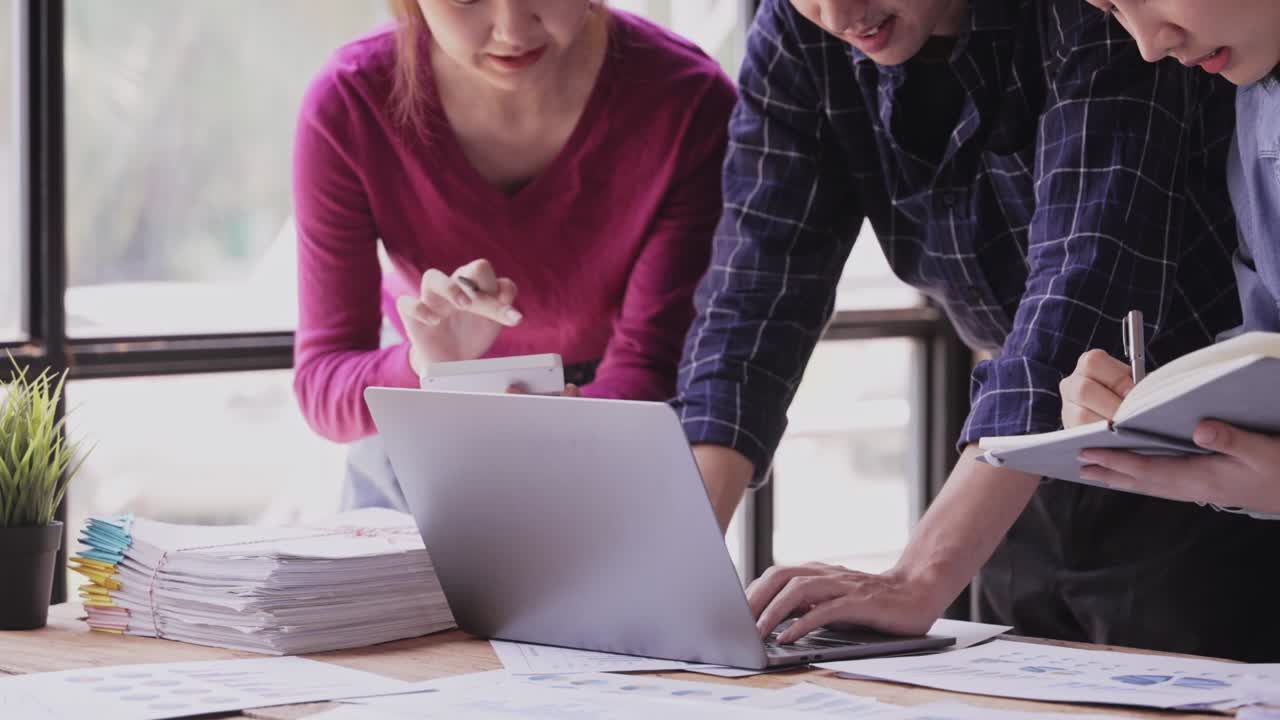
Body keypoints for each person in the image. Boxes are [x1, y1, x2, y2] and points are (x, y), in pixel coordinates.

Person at [675, 0, 1280, 662]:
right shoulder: (798, 36)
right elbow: (753, 295)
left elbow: (1081, 286)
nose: (840, 11)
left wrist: (919, 575)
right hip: (1009, 466)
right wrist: (670, 580)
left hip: (1201, 452)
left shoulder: (1097, 18)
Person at [292, 0, 736, 510]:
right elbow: (323, 386)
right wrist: (428, 364)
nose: (512, 29)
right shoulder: (349, 101)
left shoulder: (687, 101)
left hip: (608, 425)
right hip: (420, 407)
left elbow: (650, 365)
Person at [1058, 1, 1280, 518]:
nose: (1149, 44)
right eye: (1113, 8)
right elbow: (1266, 357)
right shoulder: (1257, 101)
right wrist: (1155, 406)